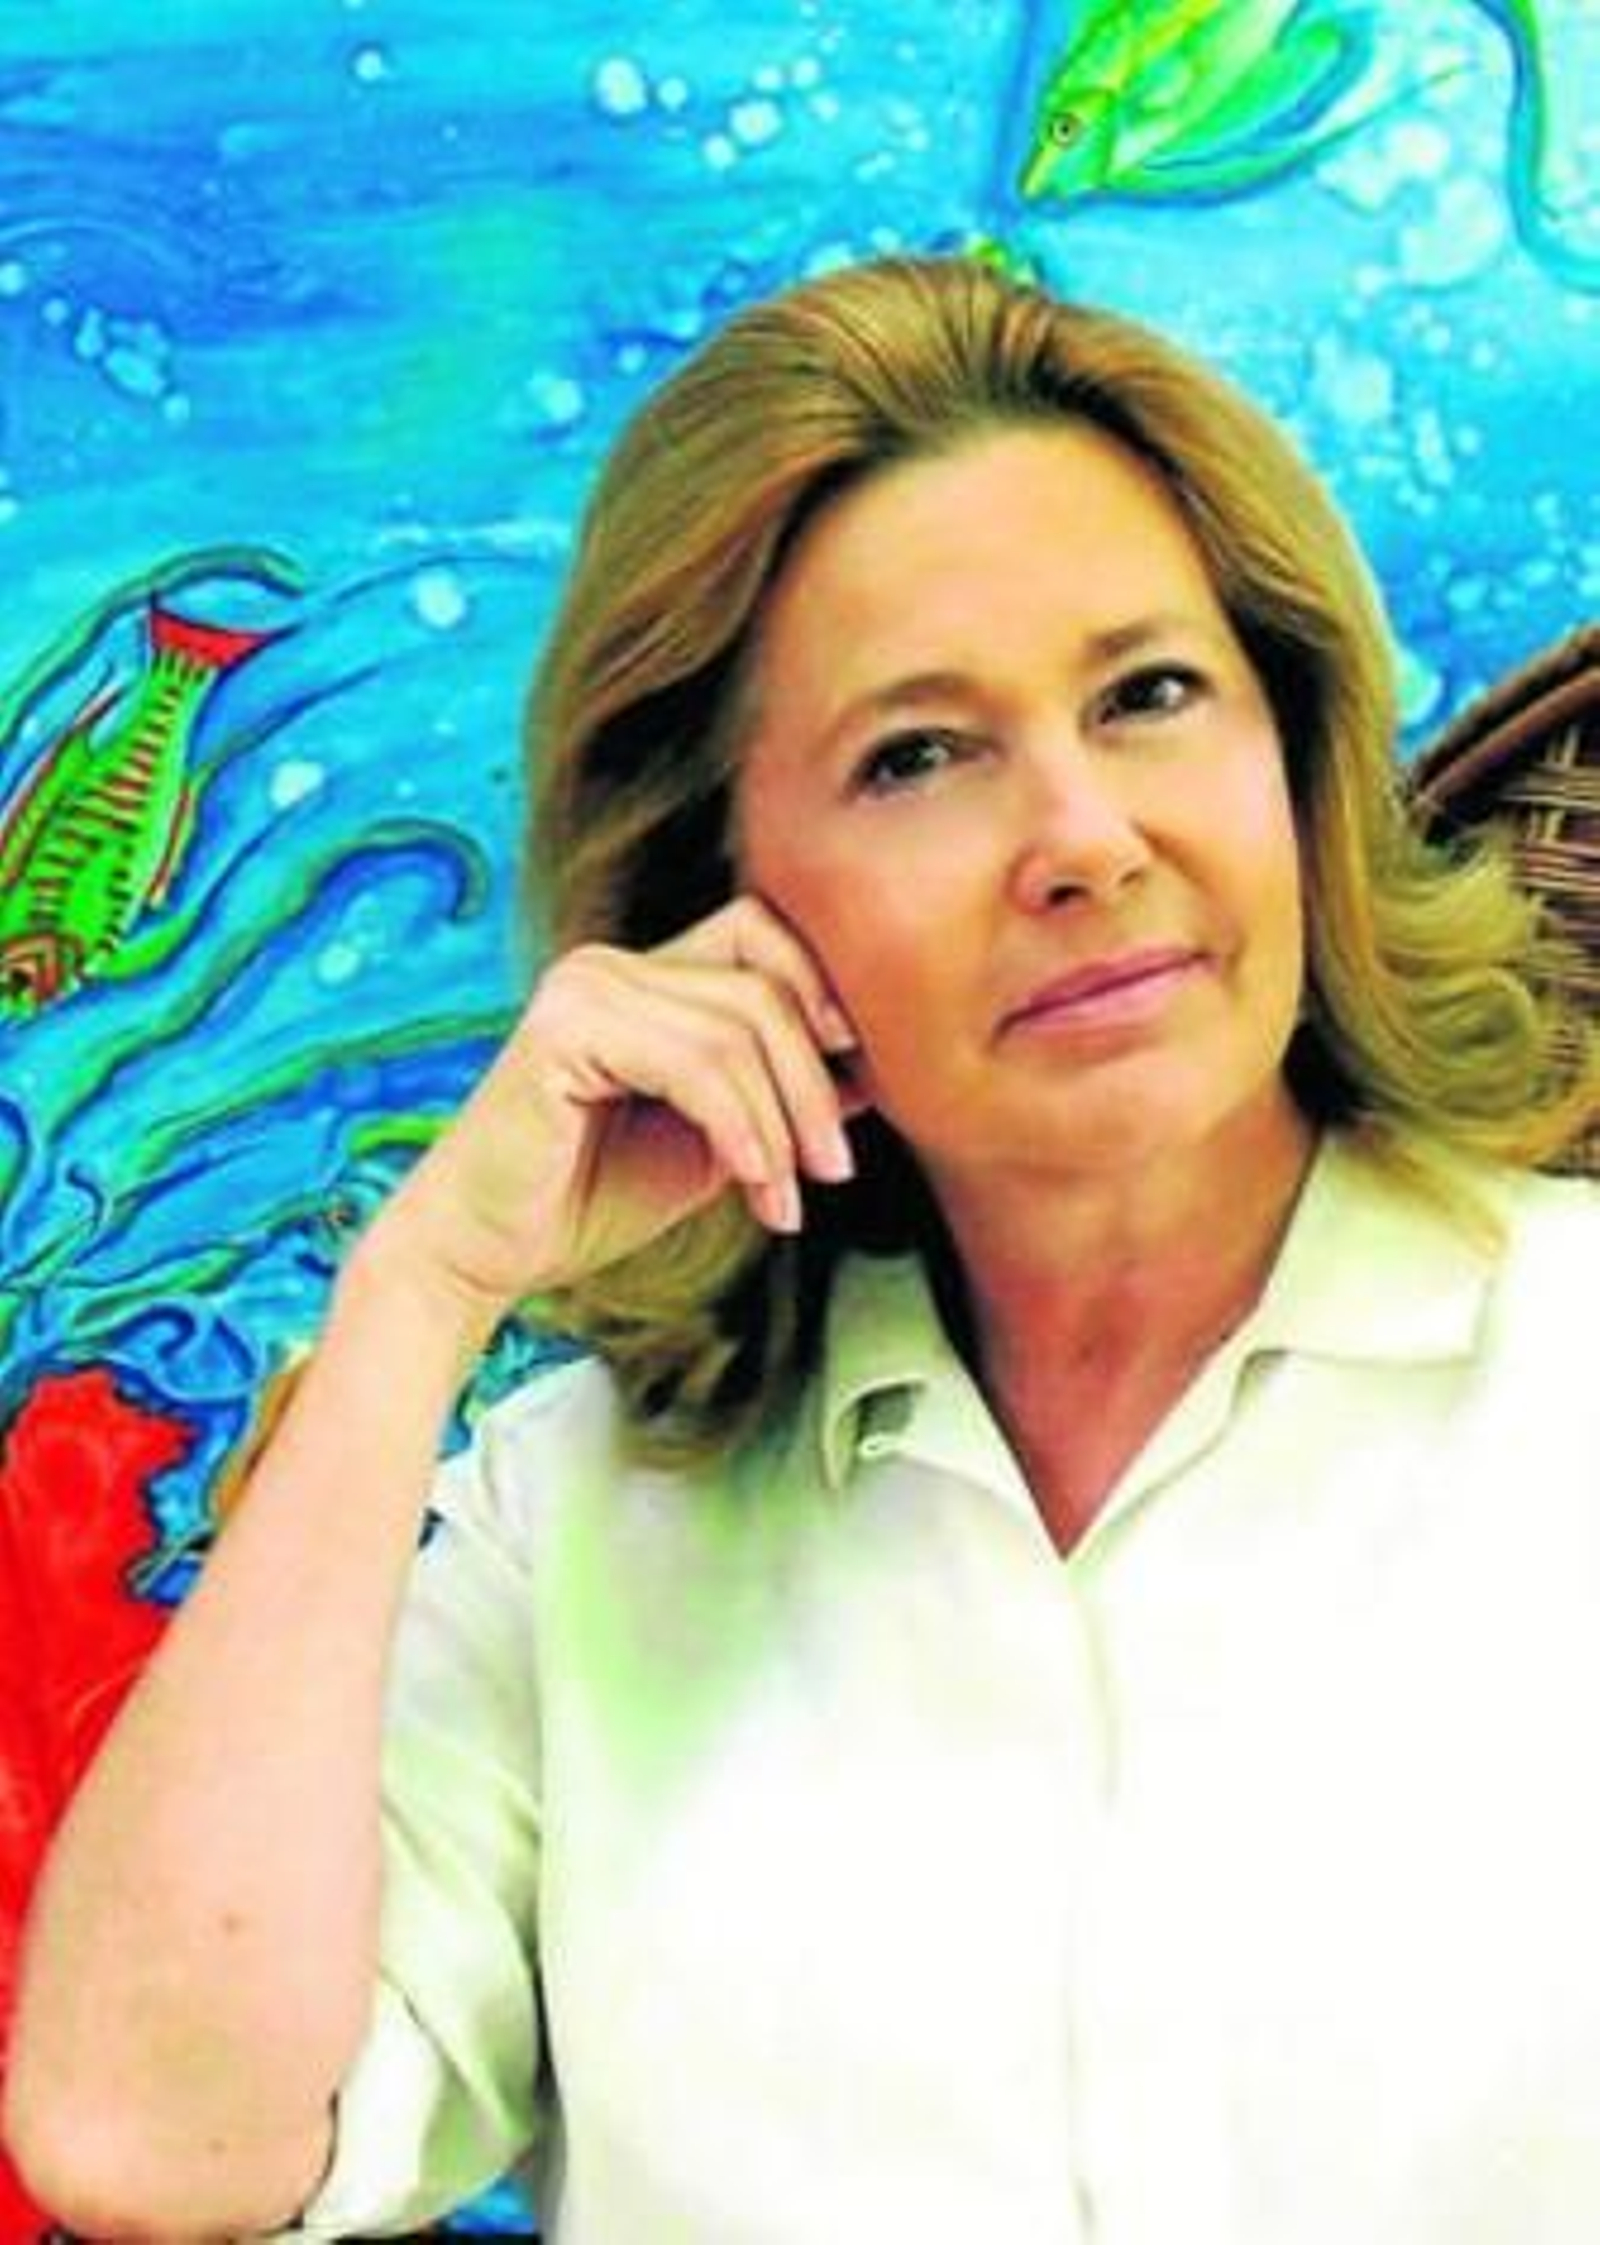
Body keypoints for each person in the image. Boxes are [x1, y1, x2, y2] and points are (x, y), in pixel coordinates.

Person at [6, 253, 1600, 2244]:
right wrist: (423, 1294)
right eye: (916, 754)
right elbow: (147, 2139)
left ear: (1289, 754)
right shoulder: (580, 1518)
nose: (1082, 836)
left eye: (1148, 695)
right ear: (721, 894)